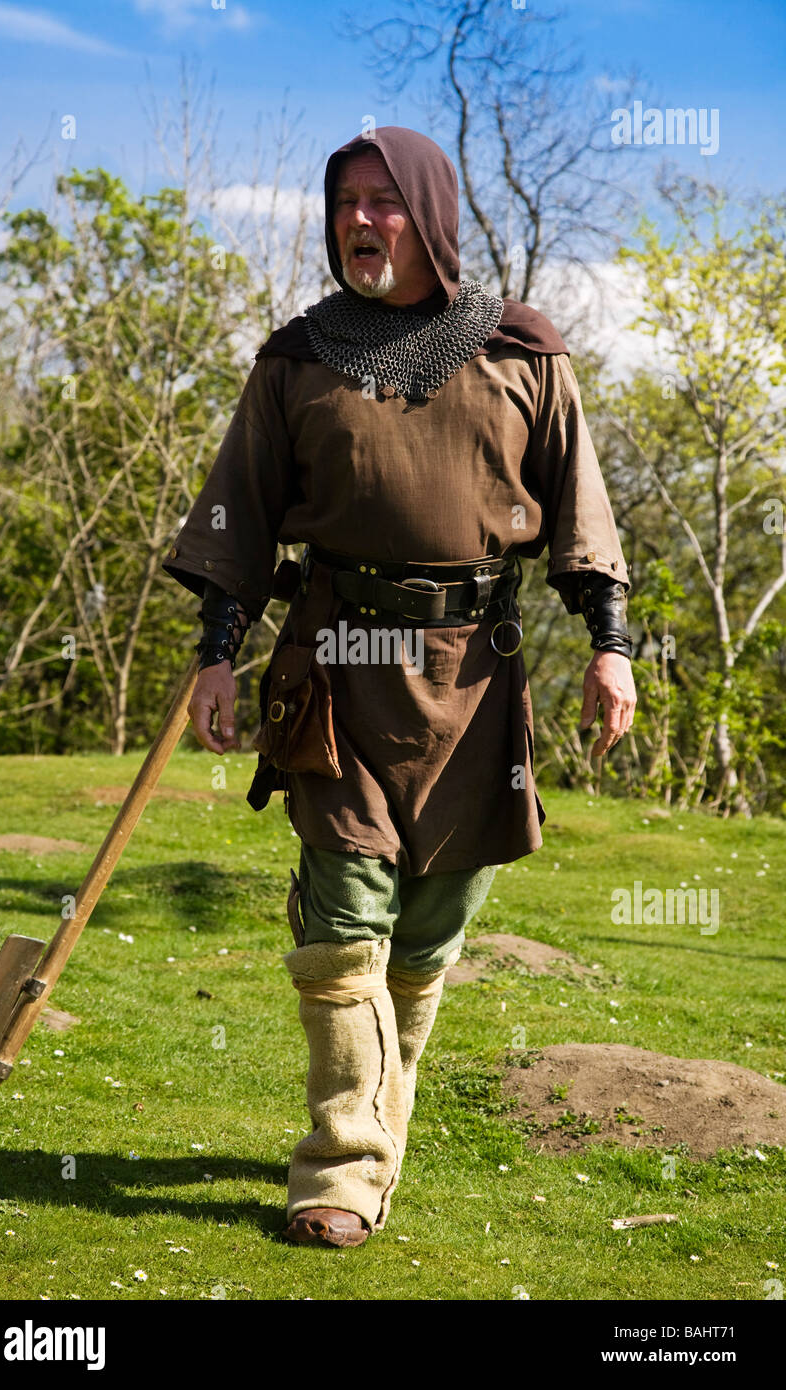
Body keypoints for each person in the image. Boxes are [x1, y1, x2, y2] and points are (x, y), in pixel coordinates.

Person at [163, 126, 637, 1249]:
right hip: (335, 665)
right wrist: (215, 649)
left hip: (474, 680)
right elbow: (237, 511)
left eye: (384, 202)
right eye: (346, 203)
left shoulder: (522, 352)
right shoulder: (295, 359)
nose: (361, 221)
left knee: (428, 931)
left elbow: (581, 514)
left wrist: (611, 643)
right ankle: (342, 1166)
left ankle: (378, 1112)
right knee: (341, 922)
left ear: (429, 215)